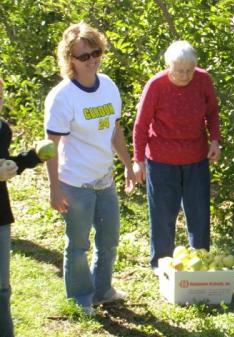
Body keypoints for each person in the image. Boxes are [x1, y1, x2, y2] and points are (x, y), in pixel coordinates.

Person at [44, 22, 136, 315]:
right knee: (78, 246)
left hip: (104, 180)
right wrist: (54, 189)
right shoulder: (62, 97)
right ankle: (80, 299)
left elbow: (114, 130)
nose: (92, 60)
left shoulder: (108, 85)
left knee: (108, 241)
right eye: (84, 56)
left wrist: (129, 165)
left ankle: (102, 290)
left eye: (96, 52)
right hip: (75, 184)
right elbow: (51, 147)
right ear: (69, 59)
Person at [133, 40, 221, 270]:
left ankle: (201, 262)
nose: (185, 75)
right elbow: (141, 125)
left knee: (199, 212)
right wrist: (137, 160)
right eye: (179, 70)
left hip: (196, 157)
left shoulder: (203, 80)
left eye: (189, 70)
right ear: (168, 66)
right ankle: (161, 264)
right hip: (161, 159)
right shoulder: (156, 85)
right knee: (163, 213)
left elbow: (212, 112)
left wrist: (215, 141)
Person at [0, 78, 47, 337]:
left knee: (2, 289)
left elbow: (6, 166)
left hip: (0, 216)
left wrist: (31, 158)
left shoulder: (2, 130)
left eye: (0, 96)